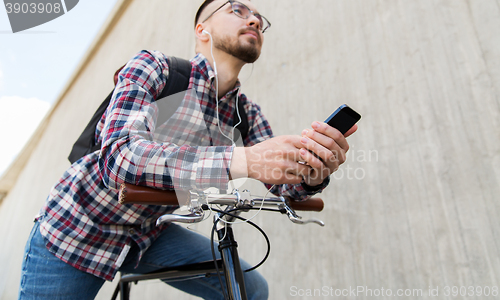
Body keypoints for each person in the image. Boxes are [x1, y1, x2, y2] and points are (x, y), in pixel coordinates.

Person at [18, 0, 357, 299]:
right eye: (237, 10)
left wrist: (313, 171)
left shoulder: (246, 115)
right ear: (202, 29)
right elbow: (120, 158)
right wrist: (243, 160)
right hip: (78, 227)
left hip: (149, 233)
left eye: (259, 17)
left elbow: (287, 192)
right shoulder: (156, 69)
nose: (254, 20)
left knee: (251, 289)